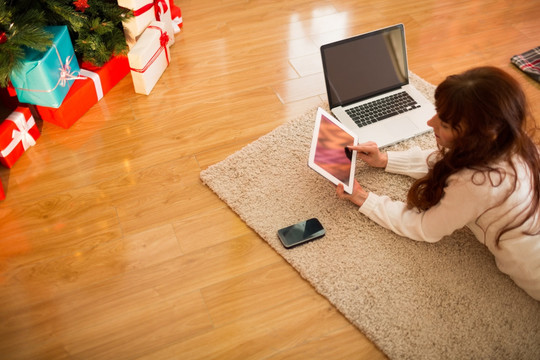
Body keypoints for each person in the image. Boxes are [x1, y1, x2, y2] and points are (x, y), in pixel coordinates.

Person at [336, 66, 540, 301]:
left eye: (443, 123)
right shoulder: (511, 138)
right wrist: (385, 160)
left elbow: (425, 228)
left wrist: (363, 197)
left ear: (477, 136)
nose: (430, 123)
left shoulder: (478, 183)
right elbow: (444, 162)